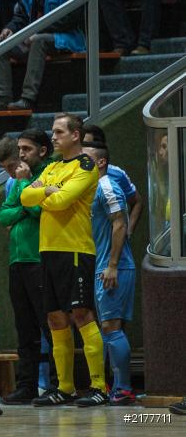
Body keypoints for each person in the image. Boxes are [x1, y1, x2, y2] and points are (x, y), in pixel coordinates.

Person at [20, 113, 108, 407]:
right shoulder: (53, 167)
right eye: (53, 132)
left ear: (75, 135)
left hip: (75, 250)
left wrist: (42, 194)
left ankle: (99, 386)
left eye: (59, 132)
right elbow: (24, 197)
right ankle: (65, 387)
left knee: (81, 315)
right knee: (55, 318)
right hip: (48, 250)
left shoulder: (85, 166)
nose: (53, 137)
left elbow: (61, 202)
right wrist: (47, 190)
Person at [0, 129, 55, 403]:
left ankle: (58, 383)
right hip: (17, 260)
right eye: (19, 150)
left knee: (50, 324)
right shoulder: (16, 183)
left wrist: (24, 188)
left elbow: (39, 210)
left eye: (26, 150)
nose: (21, 156)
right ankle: (27, 386)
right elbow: (3, 215)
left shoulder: (48, 174)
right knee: (25, 327)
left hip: (39, 258)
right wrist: (22, 202)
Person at [81, 142, 137, 406]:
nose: (81, 162)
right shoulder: (90, 188)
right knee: (106, 329)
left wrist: (112, 264)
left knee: (111, 328)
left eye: (86, 157)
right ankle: (111, 386)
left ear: (101, 162)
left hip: (114, 267)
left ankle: (124, 389)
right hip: (102, 266)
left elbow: (120, 223)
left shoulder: (107, 185)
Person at [82, 124, 144, 237]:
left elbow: (137, 202)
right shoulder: (69, 173)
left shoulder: (116, 174)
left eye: (86, 144)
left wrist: (128, 232)